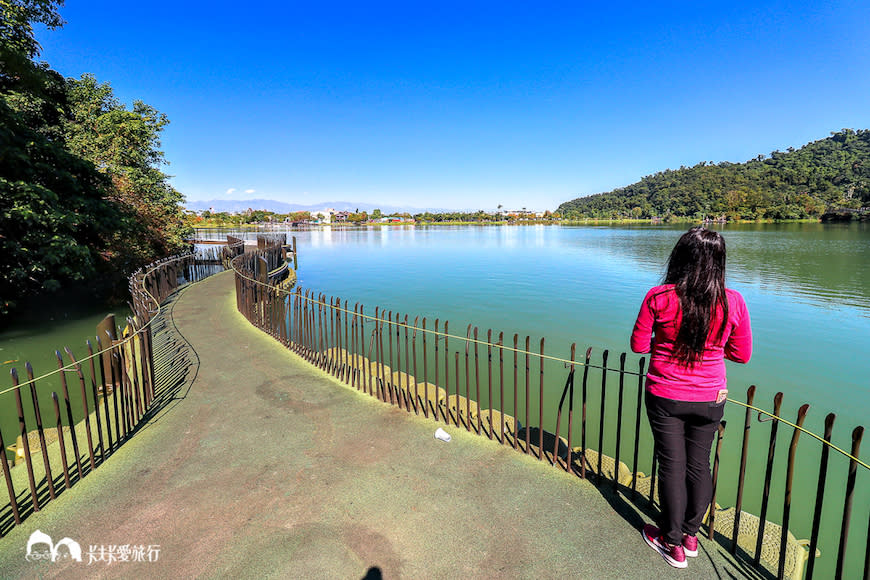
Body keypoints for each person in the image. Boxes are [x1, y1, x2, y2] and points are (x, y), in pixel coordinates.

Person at [630, 226, 752, 568]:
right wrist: (711, 347)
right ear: (719, 262)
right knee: (699, 463)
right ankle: (691, 536)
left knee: (671, 466)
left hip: (665, 393)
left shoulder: (659, 297)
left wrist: (668, 345)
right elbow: (742, 355)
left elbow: (638, 345)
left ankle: (671, 544)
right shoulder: (734, 301)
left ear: (679, 258)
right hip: (711, 397)